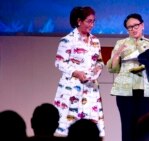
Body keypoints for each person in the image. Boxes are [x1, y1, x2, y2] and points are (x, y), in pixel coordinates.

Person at [53, 6, 105, 138]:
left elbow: (99, 61)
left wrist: (98, 68)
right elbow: (59, 62)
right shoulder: (68, 40)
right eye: (89, 21)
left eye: (93, 21)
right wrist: (76, 72)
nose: (92, 25)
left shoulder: (95, 41)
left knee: (90, 128)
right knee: (70, 126)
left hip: (90, 88)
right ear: (79, 21)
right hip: (72, 88)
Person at [106, 13, 149, 141]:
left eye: (136, 26)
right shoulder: (120, 43)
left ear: (142, 25)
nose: (133, 29)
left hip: (145, 91)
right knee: (127, 128)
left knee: (144, 129)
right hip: (125, 92)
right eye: (129, 27)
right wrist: (117, 55)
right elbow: (112, 69)